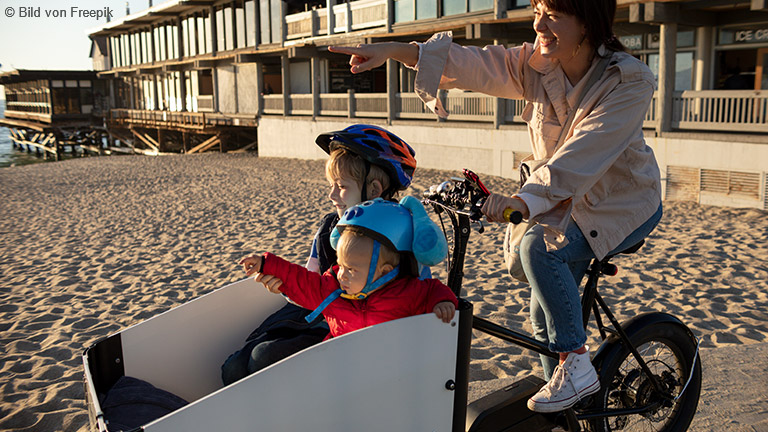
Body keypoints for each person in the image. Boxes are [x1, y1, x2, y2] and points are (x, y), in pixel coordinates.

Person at [329, 0, 663, 413]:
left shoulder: (628, 80)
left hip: (620, 203)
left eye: (552, 14)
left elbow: (582, 154)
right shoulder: (539, 62)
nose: (538, 22)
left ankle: (577, 364)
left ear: (588, 19)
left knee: (538, 250)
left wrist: (523, 201)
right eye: (536, 9)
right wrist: (396, 51)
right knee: (541, 317)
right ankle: (570, 399)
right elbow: (476, 64)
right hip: (562, 198)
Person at [221, 124, 445, 385]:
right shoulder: (330, 227)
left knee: (263, 357)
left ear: (373, 189)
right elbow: (310, 284)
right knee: (234, 368)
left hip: (356, 331)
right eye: (331, 185)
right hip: (323, 312)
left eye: (341, 186)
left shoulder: (403, 233)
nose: (331, 195)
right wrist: (281, 285)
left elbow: (422, 295)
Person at [239, 198, 458, 341]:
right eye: (341, 265)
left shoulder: (406, 293)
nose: (341, 274)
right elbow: (303, 280)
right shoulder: (332, 290)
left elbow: (432, 290)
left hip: (388, 371)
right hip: (341, 367)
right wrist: (267, 263)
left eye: (351, 269)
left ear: (384, 271)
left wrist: (444, 302)